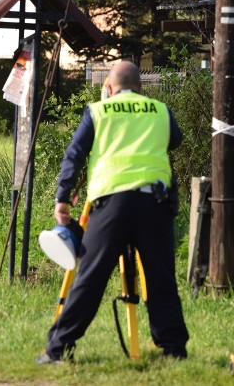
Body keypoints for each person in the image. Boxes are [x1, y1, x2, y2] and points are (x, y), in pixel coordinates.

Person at [36, 61, 189, 364]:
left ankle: (58, 350)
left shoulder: (99, 111)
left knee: (90, 279)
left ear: (108, 88)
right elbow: (175, 140)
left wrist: (63, 196)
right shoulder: (159, 109)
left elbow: (75, 154)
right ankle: (174, 350)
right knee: (161, 280)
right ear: (140, 88)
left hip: (111, 206)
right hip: (155, 204)